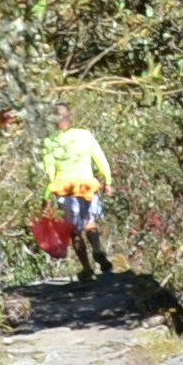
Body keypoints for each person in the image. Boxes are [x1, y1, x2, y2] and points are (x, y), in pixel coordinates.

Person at [39, 117, 112, 280]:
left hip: (64, 190)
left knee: (75, 231)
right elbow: (100, 158)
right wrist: (107, 181)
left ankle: (87, 268)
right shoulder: (85, 135)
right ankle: (97, 249)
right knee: (90, 222)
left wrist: (46, 195)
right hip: (87, 186)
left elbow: (49, 170)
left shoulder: (50, 141)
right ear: (70, 119)